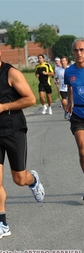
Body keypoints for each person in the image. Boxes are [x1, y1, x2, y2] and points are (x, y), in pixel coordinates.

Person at [0, 39, 45, 241]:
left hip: (14, 131)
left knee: (19, 178)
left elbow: (30, 99)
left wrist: (4, 107)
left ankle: (33, 180)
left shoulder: (11, 73)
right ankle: (2, 223)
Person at [65, 38, 84, 200]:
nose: (79, 53)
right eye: (76, 50)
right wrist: (70, 102)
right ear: (72, 53)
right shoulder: (69, 71)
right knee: (83, 151)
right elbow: (70, 88)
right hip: (78, 114)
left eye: (82, 50)